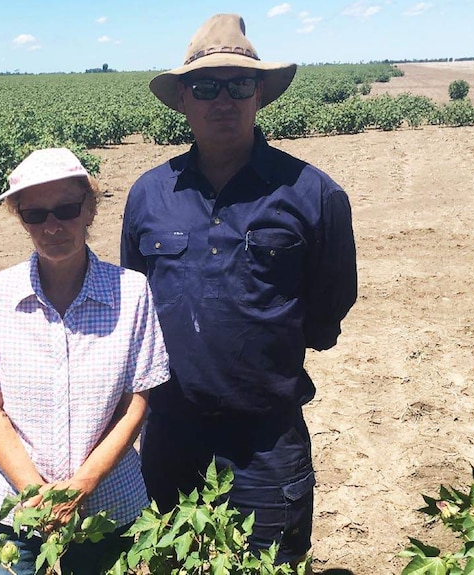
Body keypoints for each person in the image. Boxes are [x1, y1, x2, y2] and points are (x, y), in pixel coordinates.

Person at [120, 14, 358, 567]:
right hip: (170, 430)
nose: (222, 100)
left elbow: (331, 301)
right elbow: (137, 300)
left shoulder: (313, 193)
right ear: (184, 97)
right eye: (206, 86)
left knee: (271, 562)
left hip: (266, 437)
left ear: (259, 95)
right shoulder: (149, 194)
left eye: (238, 85)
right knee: (170, 562)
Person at [0, 147, 169, 575]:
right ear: (20, 218)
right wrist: (35, 494)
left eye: (67, 209)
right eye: (36, 215)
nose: (52, 226)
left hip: (107, 510)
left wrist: (84, 484)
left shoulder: (132, 292)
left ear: (90, 209)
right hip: (15, 516)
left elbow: (137, 401)